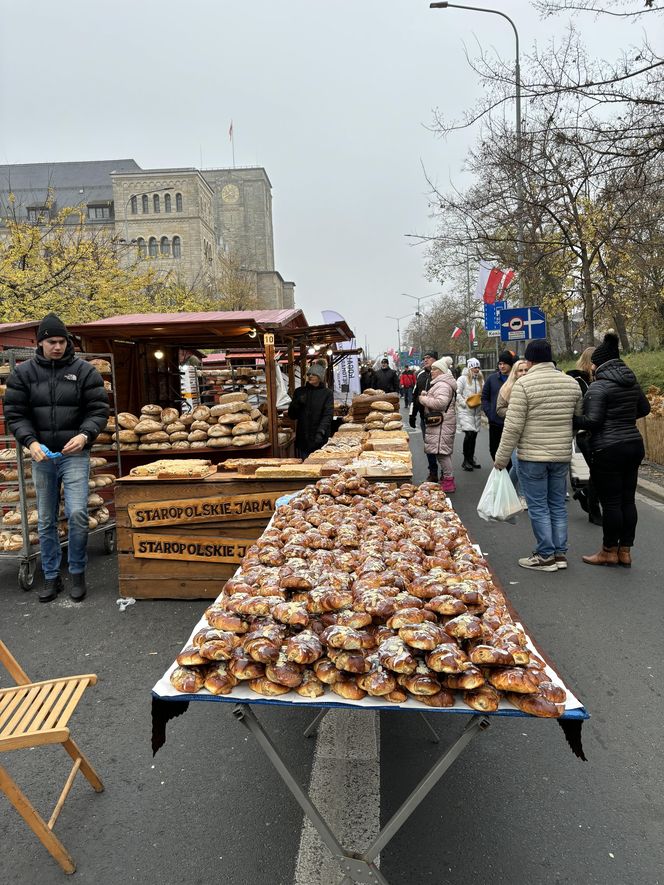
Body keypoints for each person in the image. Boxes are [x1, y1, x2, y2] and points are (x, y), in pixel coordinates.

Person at [4, 313, 109, 602]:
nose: (57, 347)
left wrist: (85, 435)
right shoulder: (23, 374)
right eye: (52, 342)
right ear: (40, 343)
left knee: (76, 513)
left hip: (74, 454)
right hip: (42, 456)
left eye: (62, 342)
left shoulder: (84, 371)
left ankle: (77, 573)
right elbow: (15, 414)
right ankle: (51, 578)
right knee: (47, 519)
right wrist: (30, 442)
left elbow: (99, 410)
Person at [494, 340, 582, 572]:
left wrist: (501, 459)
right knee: (557, 505)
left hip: (532, 456)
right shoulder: (571, 384)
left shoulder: (523, 385)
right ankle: (560, 554)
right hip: (561, 456)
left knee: (538, 507)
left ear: (530, 361)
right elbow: (577, 419)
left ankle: (545, 556)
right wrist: (565, 440)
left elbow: (512, 427)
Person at [574, 332, 650, 568]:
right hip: (633, 445)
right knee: (628, 500)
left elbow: (593, 422)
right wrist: (623, 418)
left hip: (608, 448)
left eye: (594, 363)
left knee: (612, 503)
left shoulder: (599, 387)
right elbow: (644, 408)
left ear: (598, 364)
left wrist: (574, 419)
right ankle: (625, 551)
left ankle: (608, 551)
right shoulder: (631, 381)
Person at [566, 347, 602, 525]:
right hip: (584, 433)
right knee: (597, 472)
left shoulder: (597, 379)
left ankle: (585, 494)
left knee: (598, 472)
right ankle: (593, 509)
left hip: (596, 432)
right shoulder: (578, 380)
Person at [418, 358, 457, 493]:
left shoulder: (443, 385)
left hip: (442, 425)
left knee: (442, 454)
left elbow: (440, 403)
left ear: (441, 371)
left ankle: (448, 481)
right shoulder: (441, 384)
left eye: (435, 369)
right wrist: (427, 394)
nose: (432, 371)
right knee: (442, 452)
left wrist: (423, 399)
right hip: (441, 424)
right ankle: (447, 479)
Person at [496, 359, 529, 507]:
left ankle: (504, 492)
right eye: (520, 370)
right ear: (514, 373)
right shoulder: (507, 388)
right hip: (514, 430)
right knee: (519, 465)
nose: (523, 373)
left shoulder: (532, 385)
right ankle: (522, 496)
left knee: (516, 466)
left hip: (530, 432)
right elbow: (499, 409)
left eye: (525, 370)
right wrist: (515, 411)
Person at [287, 363, 334, 460]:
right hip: (303, 439)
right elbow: (292, 415)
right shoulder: (299, 391)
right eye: (309, 374)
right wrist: (297, 402)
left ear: (320, 377)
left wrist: (321, 431)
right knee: (306, 467)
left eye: (314, 374)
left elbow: (328, 414)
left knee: (321, 464)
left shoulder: (327, 393)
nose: (310, 376)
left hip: (320, 438)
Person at [410, 350, 439, 482]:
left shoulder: (443, 374)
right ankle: (433, 472)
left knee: (440, 446)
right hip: (424, 417)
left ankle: (446, 472)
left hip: (440, 417)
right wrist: (412, 415)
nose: (425, 360)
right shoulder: (420, 375)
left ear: (435, 359)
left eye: (428, 358)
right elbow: (415, 395)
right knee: (428, 446)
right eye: (424, 358)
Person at [481, 351, 515, 460]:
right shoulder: (492, 379)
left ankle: (509, 474)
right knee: (494, 449)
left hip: (511, 421)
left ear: (510, 364)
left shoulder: (516, 379)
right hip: (495, 422)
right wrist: (490, 413)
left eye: (505, 363)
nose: (502, 366)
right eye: (500, 364)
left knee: (510, 451)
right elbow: (484, 397)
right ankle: (500, 471)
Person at [456, 358, 484, 471]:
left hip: (476, 412)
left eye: (478, 367)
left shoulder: (481, 380)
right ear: (469, 368)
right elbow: (456, 393)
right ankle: (465, 460)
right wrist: (464, 404)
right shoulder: (462, 379)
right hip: (466, 411)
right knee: (469, 435)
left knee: (474, 436)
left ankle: (471, 459)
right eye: (474, 367)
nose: (476, 369)